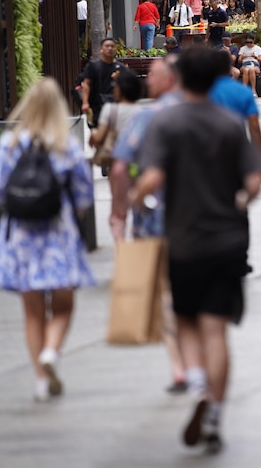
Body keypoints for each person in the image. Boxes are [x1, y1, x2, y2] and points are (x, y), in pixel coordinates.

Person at [132, 47, 261, 454]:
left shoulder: (166, 123)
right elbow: (255, 177)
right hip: (227, 240)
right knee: (216, 330)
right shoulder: (228, 123)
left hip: (185, 240)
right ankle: (215, 413)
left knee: (184, 321)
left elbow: (151, 177)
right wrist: (241, 199)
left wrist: (138, 200)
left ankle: (196, 383)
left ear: (181, 79)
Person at [0, 77, 95, 402]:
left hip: (20, 235)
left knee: (32, 312)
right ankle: (52, 353)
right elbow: (84, 196)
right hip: (59, 234)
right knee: (63, 305)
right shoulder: (66, 144)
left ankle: (41, 380)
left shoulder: (10, 143)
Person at [110, 58, 189, 396]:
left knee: (165, 292)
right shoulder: (207, 115)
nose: (149, 78)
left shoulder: (147, 118)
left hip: (155, 218)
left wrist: (120, 211)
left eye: (154, 74)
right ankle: (200, 362)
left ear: (168, 80)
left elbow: (119, 169)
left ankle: (180, 366)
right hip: (203, 221)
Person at [90, 69, 146, 238]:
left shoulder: (110, 109)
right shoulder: (142, 112)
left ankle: (121, 247)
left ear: (120, 89)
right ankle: (139, 241)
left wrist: (93, 135)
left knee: (118, 212)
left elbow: (99, 138)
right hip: (137, 165)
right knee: (139, 205)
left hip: (117, 165)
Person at [207, 50, 261, 161]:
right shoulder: (244, 92)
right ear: (230, 65)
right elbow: (254, 126)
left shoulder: (205, 92)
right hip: (237, 146)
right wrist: (260, 159)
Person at [80, 38, 125, 129]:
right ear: (101, 48)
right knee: (98, 128)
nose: (110, 48)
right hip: (97, 103)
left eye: (112, 46)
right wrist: (85, 102)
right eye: (107, 46)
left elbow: (126, 86)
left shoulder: (120, 68)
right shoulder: (93, 66)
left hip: (114, 104)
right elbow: (86, 84)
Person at [237, 33, 261, 98]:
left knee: (251, 69)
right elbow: (239, 61)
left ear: (253, 41)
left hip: (255, 65)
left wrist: (255, 57)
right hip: (245, 65)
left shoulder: (258, 48)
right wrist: (242, 57)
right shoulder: (243, 48)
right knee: (246, 70)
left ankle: (253, 90)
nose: (249, 44)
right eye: (247, 42)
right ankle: (244, 90)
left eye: (250, 42)